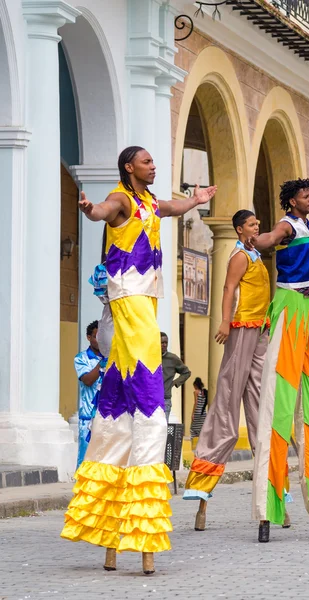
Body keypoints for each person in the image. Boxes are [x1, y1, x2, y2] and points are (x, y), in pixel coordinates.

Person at [61, 146, 216, 575]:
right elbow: (105, 210)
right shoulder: (123, 200)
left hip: (145, 300)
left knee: (121, 395)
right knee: (148, 388)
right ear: (129, 167)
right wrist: (92, 211)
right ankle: (138, 534)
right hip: (127, 297)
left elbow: (173, 205)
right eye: (146, 161)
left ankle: (113, 540)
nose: (152, 165)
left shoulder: (149, 201)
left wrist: (197, 201)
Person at [250, 179, 309, 543]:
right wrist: (258, 239)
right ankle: (269, 508)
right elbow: (272, 239)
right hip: (289, 310)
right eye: (306, 196)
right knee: (278, 405)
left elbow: (300, 246)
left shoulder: (308, 225)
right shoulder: (287, 224)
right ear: (291, 202)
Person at [183, 209, 270, 532]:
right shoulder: (238, 255)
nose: (256, 226)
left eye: (257, 223)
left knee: (262, 409)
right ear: (238, 229)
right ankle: (202, 498)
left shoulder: (255, 253)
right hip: (242, 327)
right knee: (227, 404)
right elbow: (228, 289)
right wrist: (224, 321)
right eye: (251, 224)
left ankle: (274, 498)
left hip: (260, 328)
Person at [74, 321, 106, 469]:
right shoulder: (81, 358)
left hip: (107, 415)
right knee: (86, 458)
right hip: (88, 418)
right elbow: (87, 380)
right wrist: (101, 364)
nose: (99, 340)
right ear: (88, 337)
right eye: (96, 336)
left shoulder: (110, 358)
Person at [161, 332, 191, 421]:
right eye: (162, 342)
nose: (164, 345)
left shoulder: (172, 358)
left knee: (163, 429)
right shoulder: (150, 357)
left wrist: (175, 382)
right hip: (150, 399)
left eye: (166, 342)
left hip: (165, 399)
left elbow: (186, 372)